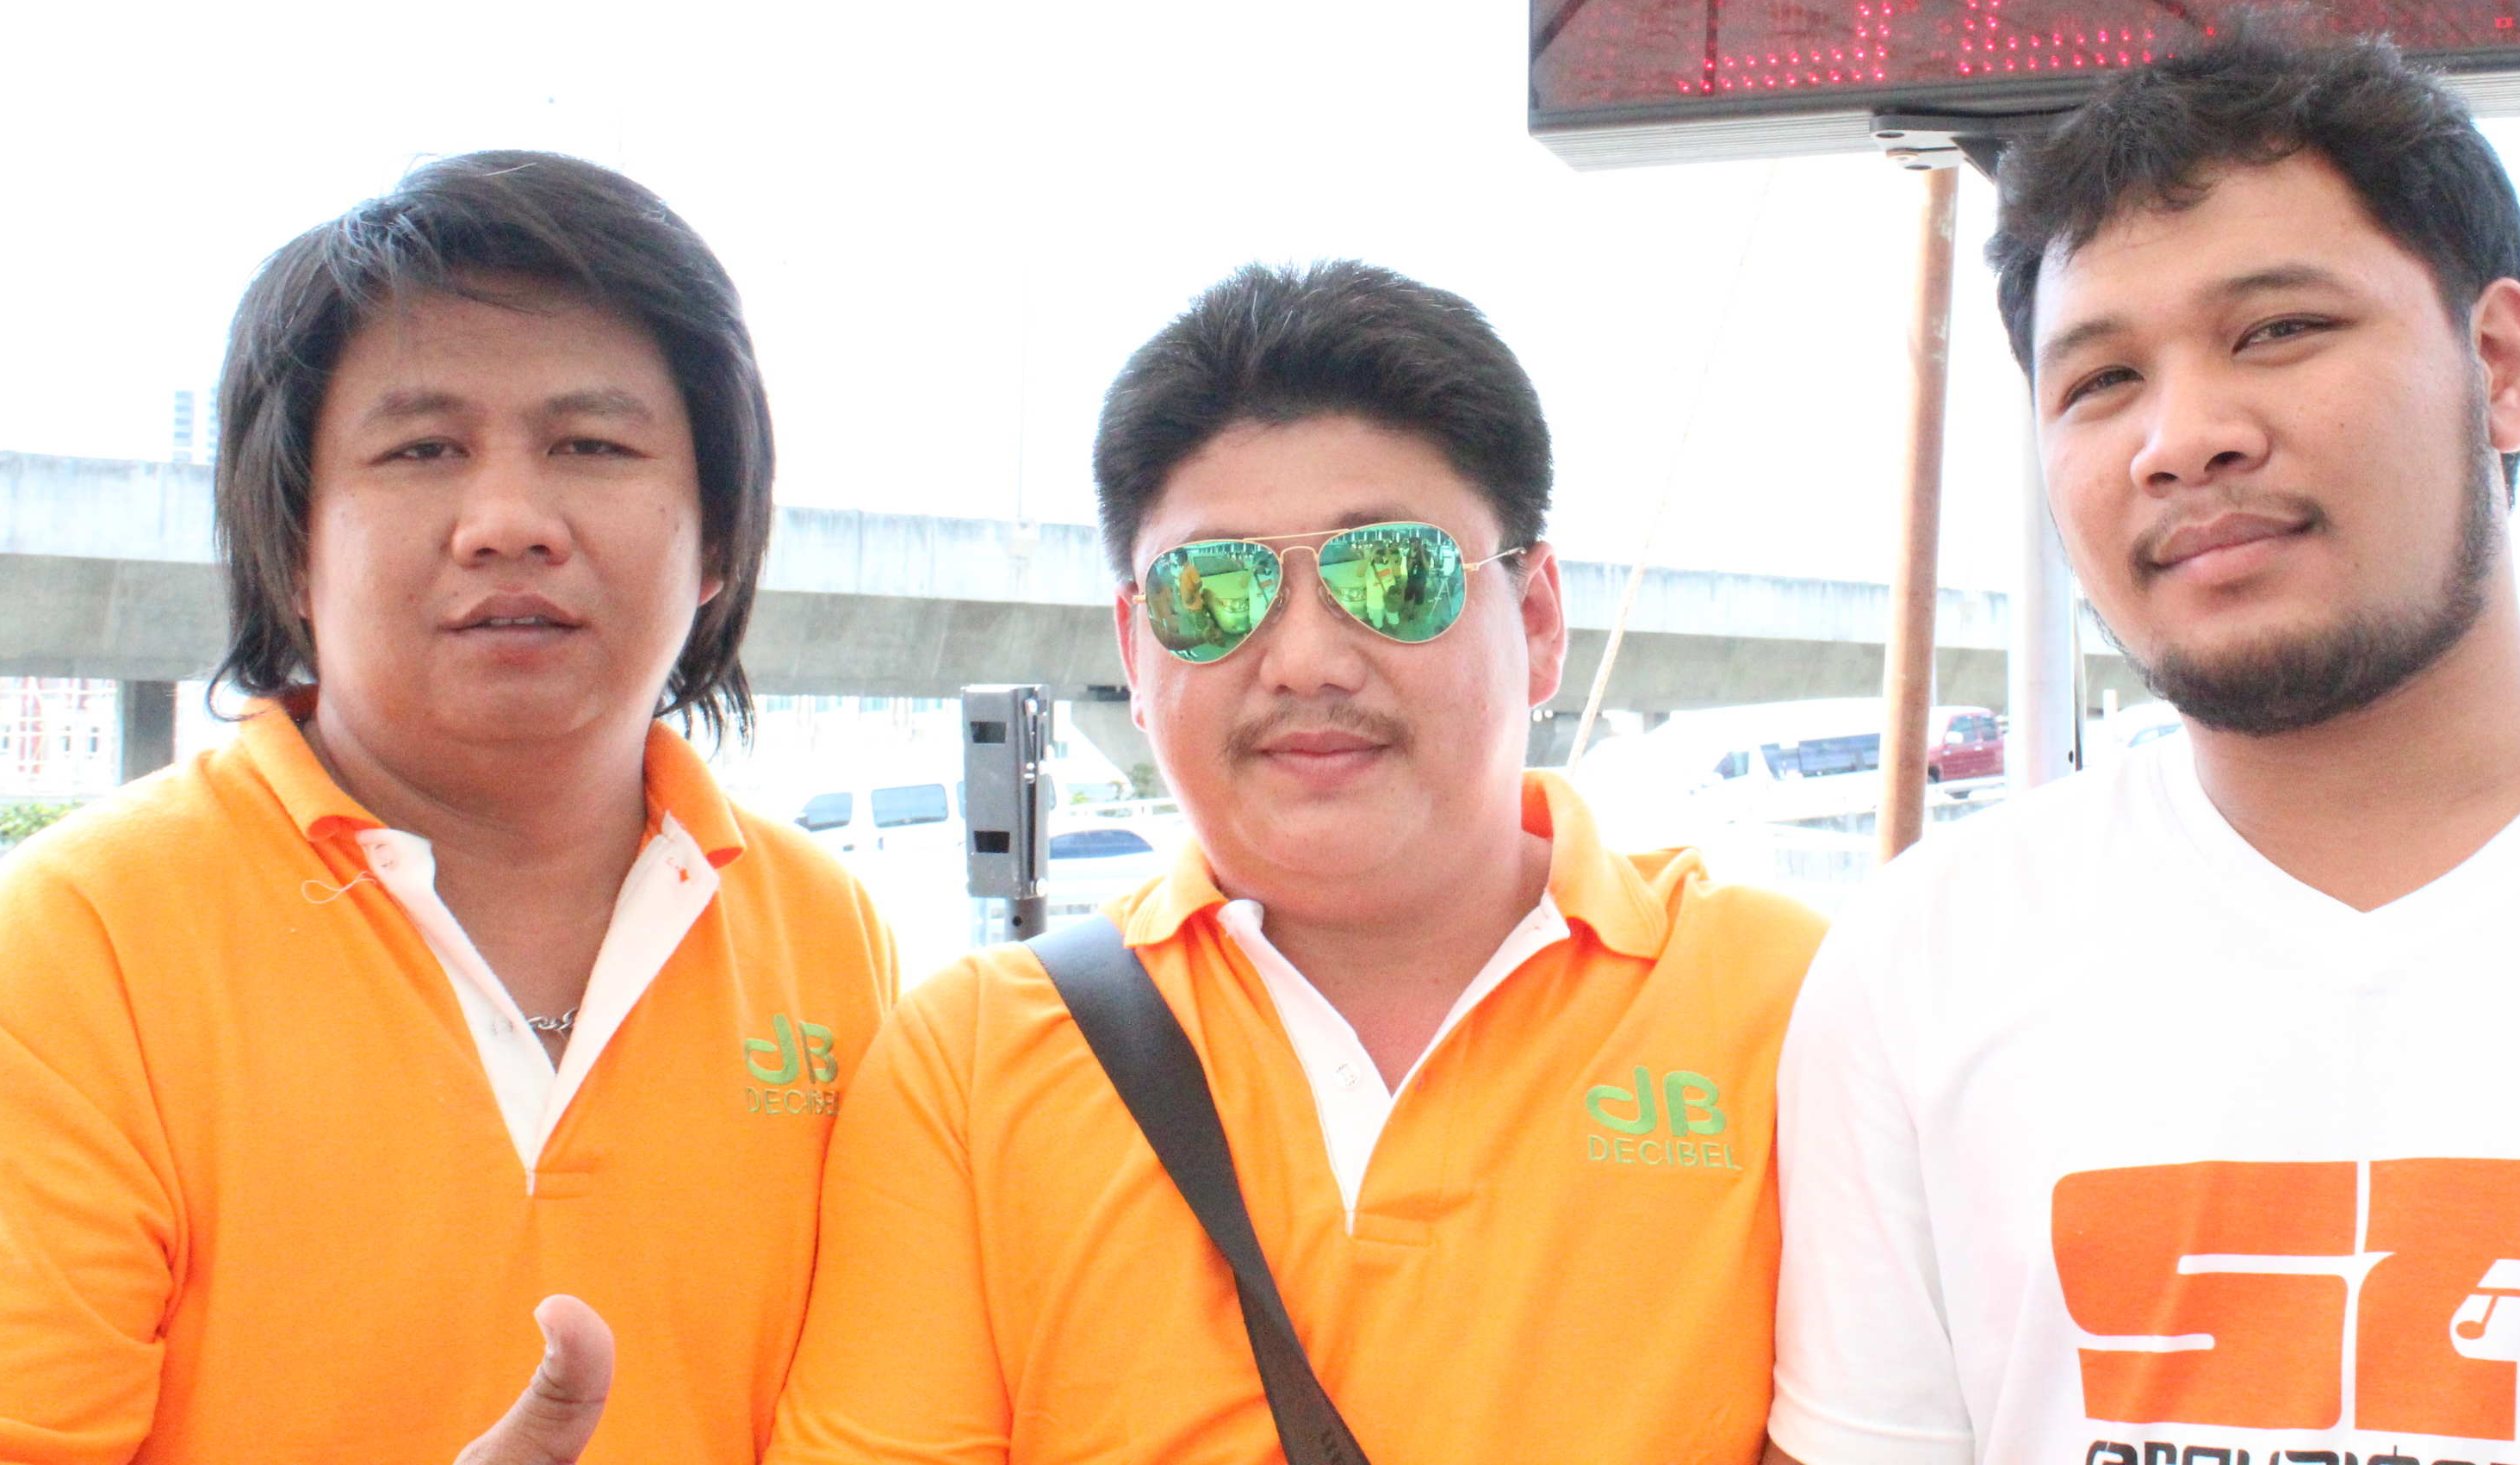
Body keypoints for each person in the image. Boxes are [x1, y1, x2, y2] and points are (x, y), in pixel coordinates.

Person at [1764, 31, 2520, 1465]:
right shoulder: (1924, 961)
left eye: (2277, 330)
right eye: (2100, 381)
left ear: (2501, 364)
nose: (2183, 438)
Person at [0, 152, 897, 1463]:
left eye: (593, 446)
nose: (508, 522)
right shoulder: (81, 946)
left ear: (716, 535)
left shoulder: (828, 938)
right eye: (422, 449)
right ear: (291, 542)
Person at [767, 259, 1831, 1462]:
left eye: (1393, 574)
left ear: (1536, 621)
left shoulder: (1788, 1007)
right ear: (1136, 646)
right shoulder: (971, 1062)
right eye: (1214, 591)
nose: (1307, 660)